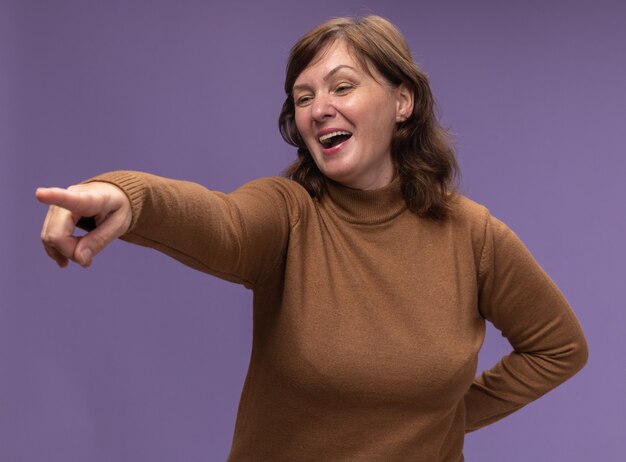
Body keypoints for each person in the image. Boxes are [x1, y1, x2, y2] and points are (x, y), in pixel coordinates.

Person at [36, 15, 587, 462]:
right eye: (303, 98)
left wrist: (449, 418)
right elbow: (221, 222)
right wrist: (125, 196)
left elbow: (559, 348)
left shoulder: (474, 236)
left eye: (342, 87)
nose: (319, 108)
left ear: (402, 103)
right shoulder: (289, 213)